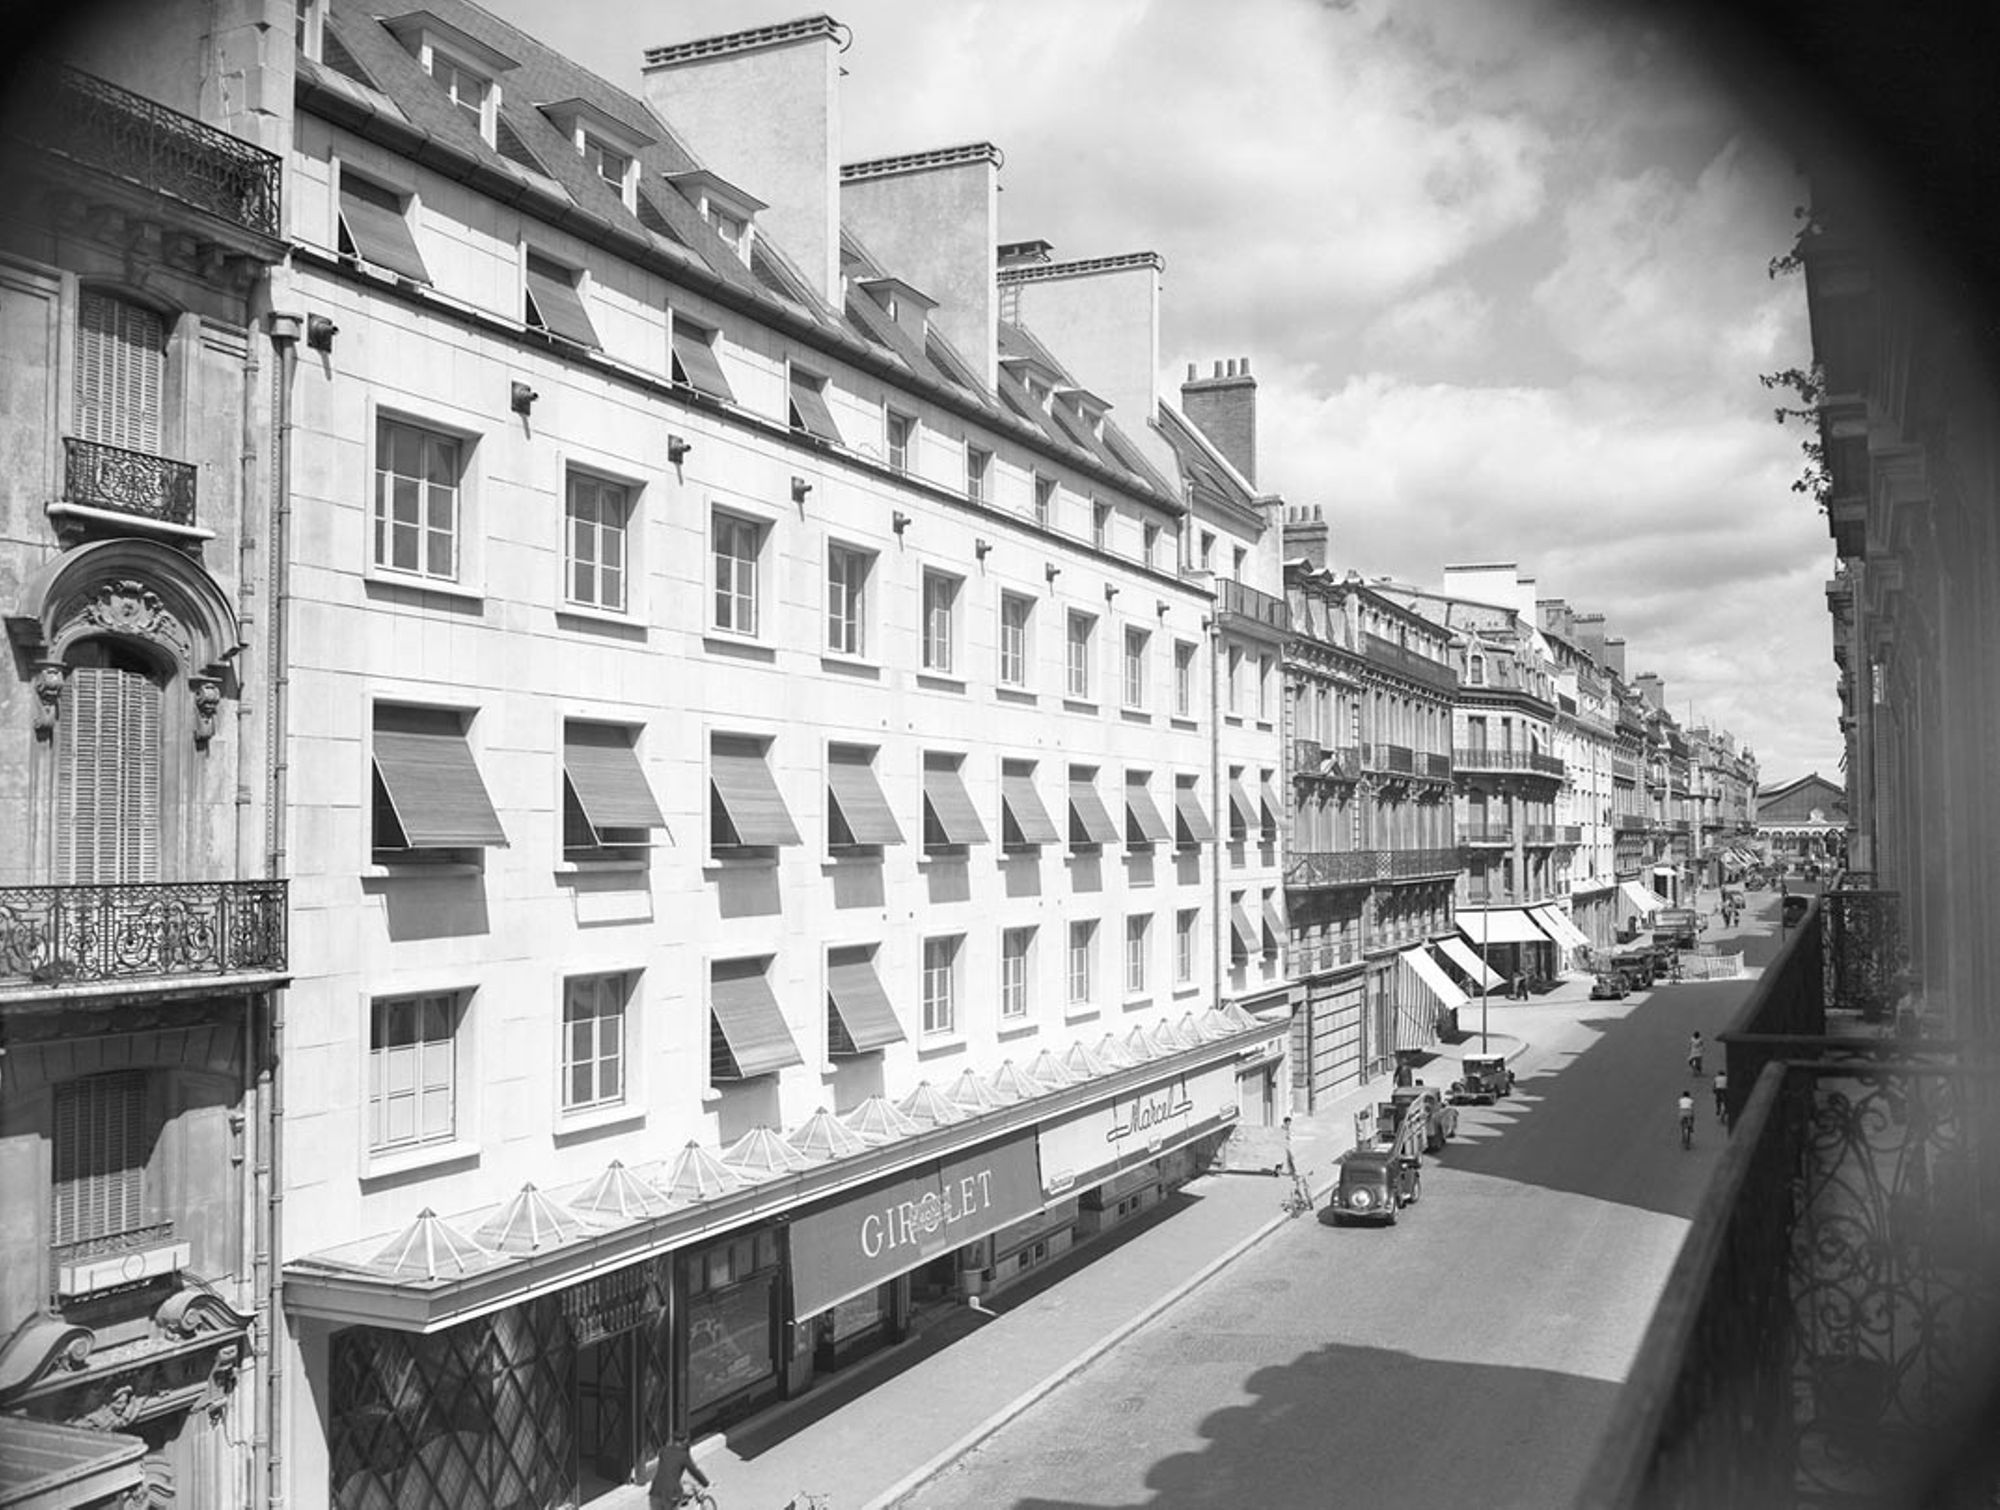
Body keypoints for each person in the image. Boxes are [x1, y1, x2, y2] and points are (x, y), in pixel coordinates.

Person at [649, 1432, 711, 1508]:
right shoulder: (683, 1455)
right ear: (685, 1441)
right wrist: (706, 1483)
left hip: (655, 1491)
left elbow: (668, 1468)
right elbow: (694, 1471)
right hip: (670, 1494)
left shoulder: (664, 1451)